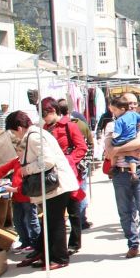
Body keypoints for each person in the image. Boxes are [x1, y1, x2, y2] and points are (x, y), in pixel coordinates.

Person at [8, 111, 79, 270]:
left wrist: (27, 169)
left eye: (13, 132)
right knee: (50, 221)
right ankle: (49, 255)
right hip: (54, 186)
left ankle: (60, 257)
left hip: (56, 186)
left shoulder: (34, 137)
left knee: (55, 222)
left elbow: (46, 161)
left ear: (19, 128)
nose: (14, 135)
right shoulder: (36, 134)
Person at [104, 93, 140, 258]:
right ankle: (133, 243)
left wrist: (118, 149)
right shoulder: (112, 125)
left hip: (139, 170)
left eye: (134, 103)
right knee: (125, 212)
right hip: (120, 174)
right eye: (128, 103)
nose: (131, 106)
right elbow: (108, 151)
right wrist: (127, 149)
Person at [41, 97, 88, 255]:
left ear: (53, 111)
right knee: (55, 211)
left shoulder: (70, 125)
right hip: (52, 173)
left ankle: (74, 243)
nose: (44, 118)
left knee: (73, 209)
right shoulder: (45, 128)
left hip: (70, 172)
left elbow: (81, 148)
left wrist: (69, 161)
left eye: (45, 114)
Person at [0, 143, 40, 253]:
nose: (18, 153)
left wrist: (14, 190)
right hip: (17, 198)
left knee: (31, 220)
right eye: (17, 151)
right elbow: (3, 169)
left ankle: (36, 243)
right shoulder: (16, 161)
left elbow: (30, 183)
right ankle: (25, 242)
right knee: (17, 221)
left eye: (20, 151)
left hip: (27, 197)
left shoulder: (30, 163)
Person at [57, 99, 94, 230]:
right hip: (79, 164)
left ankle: (78, 220)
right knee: (80, 191)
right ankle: (81, 219)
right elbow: (90, 143)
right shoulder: (81, 123)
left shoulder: (66, 125)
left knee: (73, 193)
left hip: (71, 164)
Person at [108, 97, 140, 181]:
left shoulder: (119, 120)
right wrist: (138, 125)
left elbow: (117, 133)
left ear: (122, 109)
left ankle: (112, 167)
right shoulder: (133, 114)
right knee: (132, 158)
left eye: (114, 110)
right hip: (132, 139)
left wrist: (113, 136)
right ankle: (134, 173)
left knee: (114, 149)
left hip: (121, 140)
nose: (113, 113)